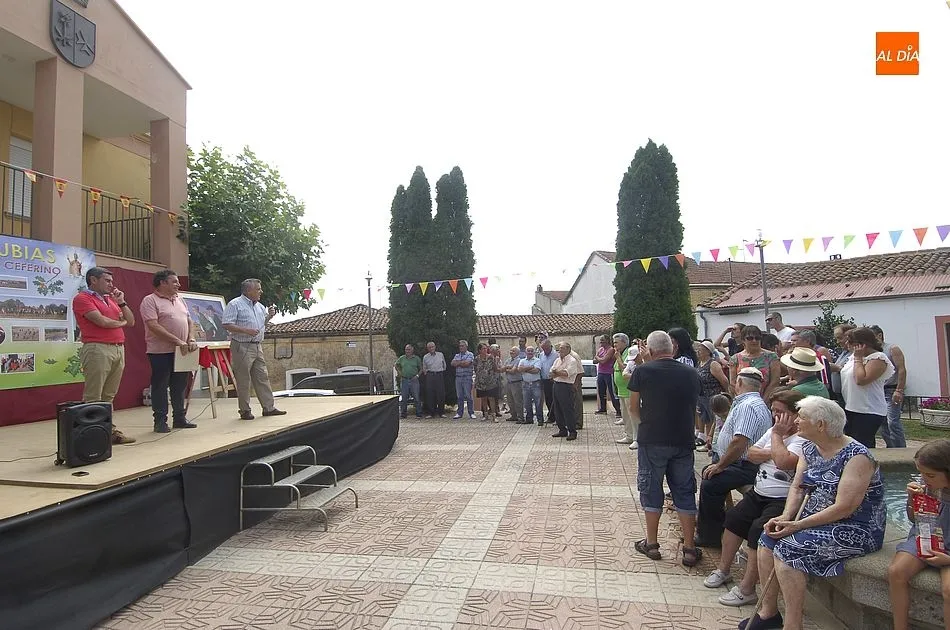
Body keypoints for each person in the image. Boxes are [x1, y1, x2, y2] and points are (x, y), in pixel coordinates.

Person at [748, 396, 886, 630]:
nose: (796, 421)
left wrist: (798, 525)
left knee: (788, 550)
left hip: (854, 526)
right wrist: (786, 517)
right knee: (767, 538)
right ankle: (768, 612)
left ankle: (793, 624)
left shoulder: (857, 456)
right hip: (814, 520)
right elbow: (797, 487)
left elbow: (845, 507)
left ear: (821, 425)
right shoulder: (809, 447)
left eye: (802, 417)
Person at [704, 389, 807, 608]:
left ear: (794, 414)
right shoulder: (773, 431)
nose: (775, 416)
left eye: (780, 412)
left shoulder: (800, 438)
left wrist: (776, 439)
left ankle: (747, 589)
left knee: (757, 531)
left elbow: (784, 463)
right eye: (773, 410)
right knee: (733, 519)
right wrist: (775, 450)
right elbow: (751, 454)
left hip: (782, 499)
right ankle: (723, 570)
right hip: (760, 492)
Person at [629, 331, 703, 566]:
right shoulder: (691, 372)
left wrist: (647, 424)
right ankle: (689, 548)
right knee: (684, 491)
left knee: (651, 490)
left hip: (652, 439)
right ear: (672, 349)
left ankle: (651, 543)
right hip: (683, 439)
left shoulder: (642, 371)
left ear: (650, 350)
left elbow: (633, 408)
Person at [695, 367, 773, 547]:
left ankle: (710, 536)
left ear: (739, 382)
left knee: (711, 483)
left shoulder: (748, 406)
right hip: (743, 463)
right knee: (709, 473)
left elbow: (740, 441)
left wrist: (721, 465)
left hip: (747, 465)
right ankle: (716, 524)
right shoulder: (754, 403)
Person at [888, 440, 950, 630]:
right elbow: (913, 519)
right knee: (896, 572)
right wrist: (912, 499)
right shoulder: (927, 486)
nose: (924, 479)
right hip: (926, 537)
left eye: (930, 475)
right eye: (921, 473)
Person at [71, 266, 136, 444]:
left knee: (109, 396)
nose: (111, 284)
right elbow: (102, 322)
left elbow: (131, 321)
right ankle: (90, 435)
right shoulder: (82, 298)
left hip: (117, 348)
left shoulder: (111, 299)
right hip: (97, 348)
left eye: (111, 281)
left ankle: (108, 431)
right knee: (93, 395)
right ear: (93, 280)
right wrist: (120, 322)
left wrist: (121, 302)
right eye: (107, 280)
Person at [139, 269, 198, 433]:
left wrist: (191, 338)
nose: (178, 285)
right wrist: (177, 340)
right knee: (160, 386)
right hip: (160, 352)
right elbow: (153, 326)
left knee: (180, 385)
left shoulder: (180, 299)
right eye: (174, 282)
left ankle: (179, 418)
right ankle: (160, 421)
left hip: (182, 351)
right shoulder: (150, 300)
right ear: (162, 283)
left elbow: (189, 321)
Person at [222, 278, 286, 420]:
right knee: (244, 379)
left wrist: (269, 316)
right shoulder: (235, 304)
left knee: (262, 376)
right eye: (258, 289)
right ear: (248, 290)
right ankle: (245, 410)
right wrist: (246, 330)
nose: (261, 291)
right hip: (242, 345)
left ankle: (268, 408)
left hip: (257, 345)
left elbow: (261, 323)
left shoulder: (260, 307)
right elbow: (226, 324)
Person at [841, 326, 895, 449]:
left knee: (862, 444)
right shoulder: (853, 356)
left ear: (862, 344)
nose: (847, 344)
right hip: (852, 406)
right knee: (850, 444)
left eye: (850, 341)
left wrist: (858, 359)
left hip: (869, 409)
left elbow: (861, 380)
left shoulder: (878, 358)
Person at [871, 325, 908, 448]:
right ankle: (891, 447)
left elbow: (901, 369)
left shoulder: (892, 349)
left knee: (893, 422)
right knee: (882, 422)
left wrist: (899, 390)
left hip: (891, 389)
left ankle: (901, 449)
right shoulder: (874, 352)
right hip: (879, 390)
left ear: (879, 335)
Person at [730, 325, 780, 400]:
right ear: (743, 340)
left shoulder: (771, 356)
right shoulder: (735, 359)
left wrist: (762, 400)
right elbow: (733, 383)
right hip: (743, 399)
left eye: (757, 338)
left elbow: (775, 381)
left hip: (767, 398)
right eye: (750, 338)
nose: (754, 341)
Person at [696, 340, 729, 452]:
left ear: (708, 351)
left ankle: (712, 444)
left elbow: (724, 381)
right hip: (702, 396)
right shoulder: (699, 363)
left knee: (715, 421)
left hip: (713, 396)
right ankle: (708, 443)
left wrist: (727, 393)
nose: (698, 352)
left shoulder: (713, 364)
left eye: (701, 350)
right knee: (706, 420)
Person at [549, 341, 582, 441]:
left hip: (566, 386)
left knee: (568, 409)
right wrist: (558, 373)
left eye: (562, 348)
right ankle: (562, 430)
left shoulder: (572, 360)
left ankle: (572, 431)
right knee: (557, 409)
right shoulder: (557, 360)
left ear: (568, 349)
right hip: (556, 385)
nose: (560, 350)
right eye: (559, 348)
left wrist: (557, 372)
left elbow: (566, 373)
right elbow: (551, 372)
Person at [612, 333, 638, 447]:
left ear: (624, 342)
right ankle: (629, 436)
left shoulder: (629, 352)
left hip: (628, 389)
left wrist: (618, 358)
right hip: (621, 389)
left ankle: (635, 438)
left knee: (632, 415)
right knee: (625, 415)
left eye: (616, 342)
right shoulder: (620, 353)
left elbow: (624, 367)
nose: (614, 345)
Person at [593, 335, 621, 416]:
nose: (601, 342)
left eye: (603, 340)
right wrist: (599, 359)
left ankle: (618, 410)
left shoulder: (611, 350)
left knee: (612, 392)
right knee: (601, 392)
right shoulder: (600, 349)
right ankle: (603, 409)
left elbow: (603, 361)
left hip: (609, 373)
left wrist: (598, 358)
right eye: (600, 340)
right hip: (601, 372)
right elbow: (594, 361)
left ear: (607, 341)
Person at [395, 343, 423, 419]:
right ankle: (403, 414)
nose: (407, 351)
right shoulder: (402, 358)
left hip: (414, 380)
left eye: (409, 349)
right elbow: (396, 365)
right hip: (404, 380)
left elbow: (421, 368)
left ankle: (419, 414)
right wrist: (399, 373)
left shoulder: (416, 359)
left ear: (412, 350)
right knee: (404, 398)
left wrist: (417, 376)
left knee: (416, 397)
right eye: (406, 349)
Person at [519, 346, 544, 425]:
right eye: (528, 351)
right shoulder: (522, 360)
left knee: (538, 403)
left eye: (531, 351)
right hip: (525, 384)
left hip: (536, 384)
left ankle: (540, 420)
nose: (530, 352)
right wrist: (530, 367)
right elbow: (519, 369)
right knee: (527, 403)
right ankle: (529, 419)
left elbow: (536, 371)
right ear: (525, 352)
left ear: (534, 352)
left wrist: (524, 369)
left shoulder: (538, 360)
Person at [451, 340, 476, 419]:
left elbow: (467, 364)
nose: (461, 347)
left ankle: (471, 412)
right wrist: (462, 362)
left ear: (466, 347)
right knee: (459, 396)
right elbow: (452, 363)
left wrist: (458, 363)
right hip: (458, 377)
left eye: (462, 346)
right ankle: (459, 413)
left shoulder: (470, 354)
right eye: (460, 346)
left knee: (468, 395)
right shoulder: (457, 355)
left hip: (467, 377)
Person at [421, 341, 446, 418]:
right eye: (429, 347)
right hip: (430, 375)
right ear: (427, 348)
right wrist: (428, 374)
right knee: (430, 394)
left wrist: (440, 371)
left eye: (432, 347)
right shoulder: (425, 357)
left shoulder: (440, 355)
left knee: (441, 394)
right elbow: (424, 368)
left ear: (435, 347)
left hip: (439, 375)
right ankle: (431, 413)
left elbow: (444, 366)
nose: (431, 348)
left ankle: (441, 412)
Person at [538, 338, 558, 423]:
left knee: (555, 400)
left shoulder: (556, 355)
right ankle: (551, 416)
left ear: (550, 346)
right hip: (544, 380)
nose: (545, 351)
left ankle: (557, 417)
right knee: (548, 399)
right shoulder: (541, 355)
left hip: (553, 380)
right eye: (543, 349)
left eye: (546, 348)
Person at [503, 346, 525, 423]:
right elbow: (502, 369)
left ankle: (520, 417)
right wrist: (508, 367)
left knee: (518, 401)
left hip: (516, 382)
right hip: (509, 382)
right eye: (511, 350)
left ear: (518, 353)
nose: (511, 352)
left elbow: (513, 371)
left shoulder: (519, 360)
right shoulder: (508, 360)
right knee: (510, 400)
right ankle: (513, 416)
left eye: (513, 351)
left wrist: (507, 368)